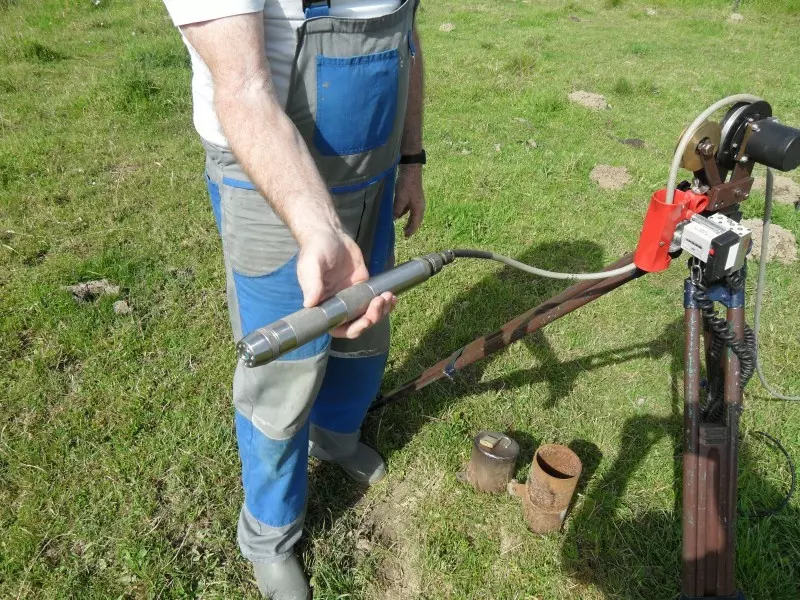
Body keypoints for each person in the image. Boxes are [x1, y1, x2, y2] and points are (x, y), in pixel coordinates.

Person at [161, 0, 425, 597]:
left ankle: (335, 438)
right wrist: (320, 231)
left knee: (365, 336)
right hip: (267, 183)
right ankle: (269, 535)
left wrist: (411, 158)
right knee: (285, 373)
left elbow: (408, 38)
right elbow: (245, 89)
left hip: (374, 173)